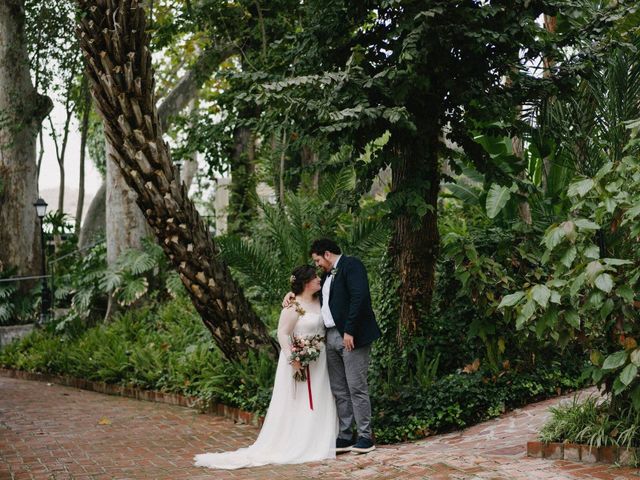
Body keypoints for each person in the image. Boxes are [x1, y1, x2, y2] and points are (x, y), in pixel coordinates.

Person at [194, 265, 338, 470]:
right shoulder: (293, 305)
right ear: (306, 283)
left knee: (321, 396)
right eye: (315, 278)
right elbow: (282, 333)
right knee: (299, 402)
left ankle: (320, 438)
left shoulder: (320, 300)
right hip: (299, 359)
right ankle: (300, 441)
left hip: (320, 360)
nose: (319, 280)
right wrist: (293, 358)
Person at [284, 238, 381, 454]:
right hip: (329, 336)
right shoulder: (327, 275)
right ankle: (346, 435)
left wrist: (350, 330)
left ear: (327, 254)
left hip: (350, 335)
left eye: (318, 259)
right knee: (339, 388)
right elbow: (310, 296)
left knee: (356, 386)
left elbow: (360, 297)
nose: (317, 264)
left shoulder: (351, 265)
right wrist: (291, 293)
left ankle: (366, 436)